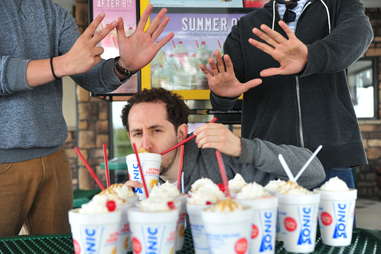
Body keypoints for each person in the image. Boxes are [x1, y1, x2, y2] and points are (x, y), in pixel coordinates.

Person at [0, 0, 173, 236]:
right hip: (3, 159)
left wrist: (123, 66)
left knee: (58, 247)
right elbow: (65, 65)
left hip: (54, 156)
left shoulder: (52, 12)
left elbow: (87, 73)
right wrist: (61, 64)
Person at [201, 0, 374, 189]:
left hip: (330, 157)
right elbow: (227, 98)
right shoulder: (246, 26)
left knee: (332, 218)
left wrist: (310, 56)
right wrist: (223, 96)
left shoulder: (338, 6)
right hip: (268, 160)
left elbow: (359, 34)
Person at [121, 88, 325, 192]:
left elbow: (314, 173)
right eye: (137, 133)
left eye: (156, 130)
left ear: (181, 133)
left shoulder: (219, 157)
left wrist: (243, 148)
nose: (146, 145)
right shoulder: (143, 188)